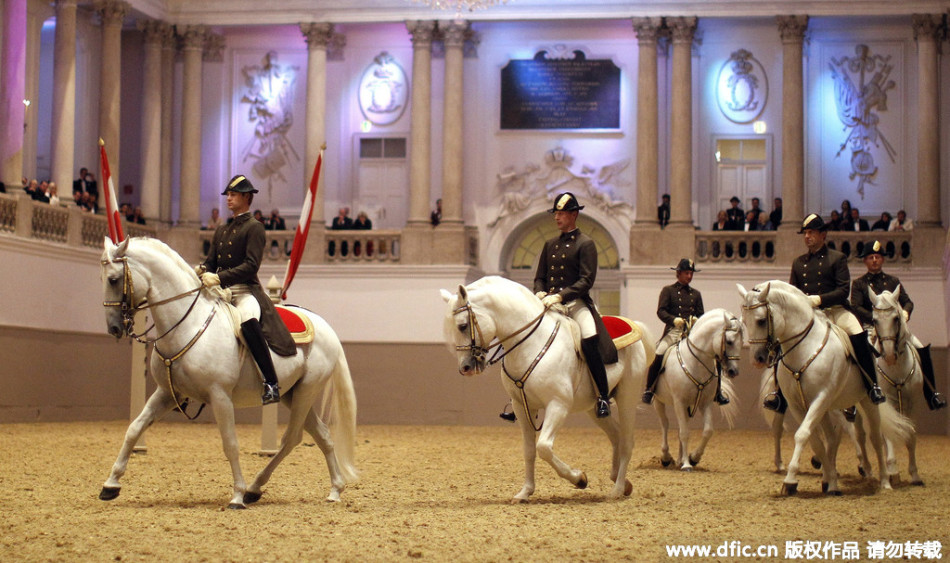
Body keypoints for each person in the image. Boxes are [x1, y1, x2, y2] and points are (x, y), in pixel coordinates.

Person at [764, 213, 885, 412]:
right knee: (781, 342)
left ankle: (872, 385)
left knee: (858, 335)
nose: (807, 236)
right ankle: (779, 394)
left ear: (823, 235)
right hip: (809, 316)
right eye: (805, 233)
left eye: (811, 232)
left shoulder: (837, 258)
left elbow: (843, 290)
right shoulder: (798, 263)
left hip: (836, 311)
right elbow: (793, 292)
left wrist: (819, 299)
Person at [199, 174, 297, 405]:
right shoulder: (222, 230)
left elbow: (251, 265)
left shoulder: (255, 228)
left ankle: (271, 382)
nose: (229, 199)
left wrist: (219, 277)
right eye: (228, 195)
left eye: (233, 195)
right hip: (220, 292)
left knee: (248, 321)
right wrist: (202, 270)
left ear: (246, 197)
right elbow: (211, 261)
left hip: (244, 291)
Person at [533, 192, 617, 417]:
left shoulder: (585, 243)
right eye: (555, 214)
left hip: (576, 304)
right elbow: (540, 276)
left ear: (574, 215)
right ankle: (521, 396)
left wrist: (561, 296)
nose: (557, 218)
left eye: (561, 214)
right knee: (528, 335)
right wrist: (540, 292)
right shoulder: (550, 244)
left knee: (589, 339)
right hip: (550, 304)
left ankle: (603, 396)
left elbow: (586, 280)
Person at [850, 241, 945, 410]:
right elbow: (856, 307)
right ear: (865, 261)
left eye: (877, 257)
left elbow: (907, 302)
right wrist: (878, 319)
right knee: (857, 357)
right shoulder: (859, 284)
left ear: (882, 260)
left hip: (895, 330)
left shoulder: (893, 281)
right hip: (872, 329)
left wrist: (906, 313)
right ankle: (852, 403)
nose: (874, 260)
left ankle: (932, 393)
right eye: (870, 257)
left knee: (921, 349)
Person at [643, 259, 728, 405]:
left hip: (692, 333)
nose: (689, 276)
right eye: (687, 273)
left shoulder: (696, 294)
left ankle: (718, 391)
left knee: (715, 357)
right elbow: (661, 311)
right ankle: (649, 389)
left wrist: (697, 320)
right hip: (674, 332)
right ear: (679, 273)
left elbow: (702, 315)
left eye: (691, 273)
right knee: (659, 353)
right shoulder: (668, 291)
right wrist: (673, 320)